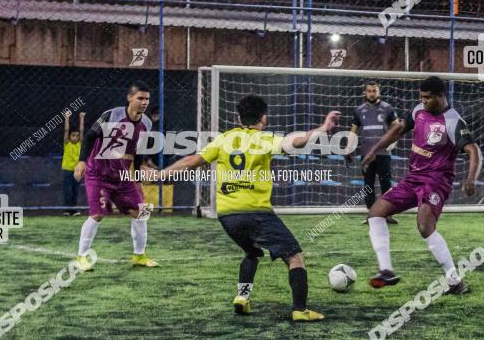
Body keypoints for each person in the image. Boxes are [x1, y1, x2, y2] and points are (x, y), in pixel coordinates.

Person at [153, 95, 340, 321]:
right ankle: (300, 310)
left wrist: (161, 175)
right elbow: (297, 142)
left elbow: (192, 161)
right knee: (294, 256)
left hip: (227, 215)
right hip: (256, 213)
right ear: (264, 118)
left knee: (252, 252)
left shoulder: (223, 139)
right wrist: (323, 127)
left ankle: (242, 297)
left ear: (238, 117)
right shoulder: (265, 139)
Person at [361, 76, 481, 294]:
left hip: (436, 181)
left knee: (424, 225)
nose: (423, 101)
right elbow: (397, 129)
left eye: (427, 98)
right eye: (421, 98)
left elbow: (473, 150)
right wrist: (374, 150)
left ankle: (454, 281)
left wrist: (471, 178)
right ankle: (386, 270)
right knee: (376, 212)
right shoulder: (418, 110)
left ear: (440, 96)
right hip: (413, 178)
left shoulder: (453, 121)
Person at [73, 80, 157, 268]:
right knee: (97, 214)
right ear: (129, 98)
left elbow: (138, 150)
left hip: (122, 176)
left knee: (141, 212)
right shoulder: (112, 115)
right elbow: (89, 136)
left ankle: (139, 256)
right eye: (140, 98)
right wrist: (81, 161)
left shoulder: (147, 123)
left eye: (147, 99)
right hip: (98, 174)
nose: (144, 102)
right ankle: (81, 257)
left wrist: (139, 170)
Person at [347, 80, 399, 223]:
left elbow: (397, 127)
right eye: (369, 91)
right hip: (366, 155)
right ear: (365, 93)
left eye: (374, 91)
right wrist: (348, 150)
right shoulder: (358, 110)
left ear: (379, 92)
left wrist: (393, 142)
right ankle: (372, 215)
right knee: (368, 185)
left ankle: (387, 214)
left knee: (386, 184)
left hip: (383, 154)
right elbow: (353, 132)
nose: (372, 93)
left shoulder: (388, 108)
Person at [61, 110, 85, 216]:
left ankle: (74, 210)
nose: (75, 137)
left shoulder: (80, 143)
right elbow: (66, 130)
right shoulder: (67, 143)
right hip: (67, 169)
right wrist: (67, 117)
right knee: (68, 190)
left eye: (77, 136)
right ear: (70, 137)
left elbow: (82, 130)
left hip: (77, 170)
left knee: (75, 191)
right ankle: (67, 210)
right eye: (73, 136)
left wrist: (81, 118)